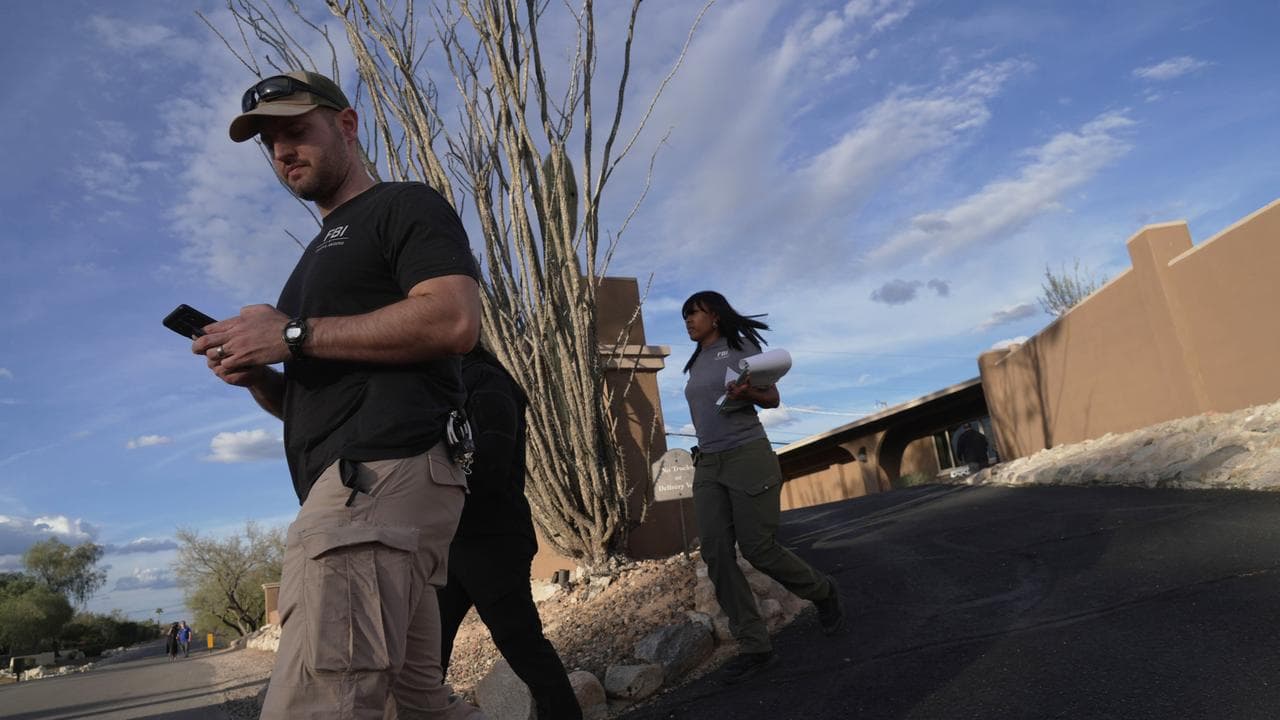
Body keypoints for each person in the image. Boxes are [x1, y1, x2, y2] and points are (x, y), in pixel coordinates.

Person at [192, 70, 484, 719]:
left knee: (318, 702)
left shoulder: (403, 205)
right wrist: (262, 376)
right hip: (363, 482)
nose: (282, 152)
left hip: (379, 475)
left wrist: (291, 332)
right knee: (413, 702)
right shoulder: (308, 264)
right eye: (269, 143)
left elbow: (453, 320)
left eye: (296, 131)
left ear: (346, 125)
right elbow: (315, 393)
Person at [680, 291, 844, 684]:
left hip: (746, 455)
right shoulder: (698, 359)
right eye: (685, 317)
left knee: (758, 548)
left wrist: (747, 393)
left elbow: (771, 398)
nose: (688, 321)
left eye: (694, 314)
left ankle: (823, 592)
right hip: (708, 461)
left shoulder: (740, 348)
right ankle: (755, 646)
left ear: (715, 316)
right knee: (716, 553)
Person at [436, 346, 582, 720]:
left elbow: (491, 463)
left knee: (521, 643)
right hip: (453, 540)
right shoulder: (450, 385)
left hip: (492, 538)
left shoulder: (486, 381)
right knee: (424, 653)